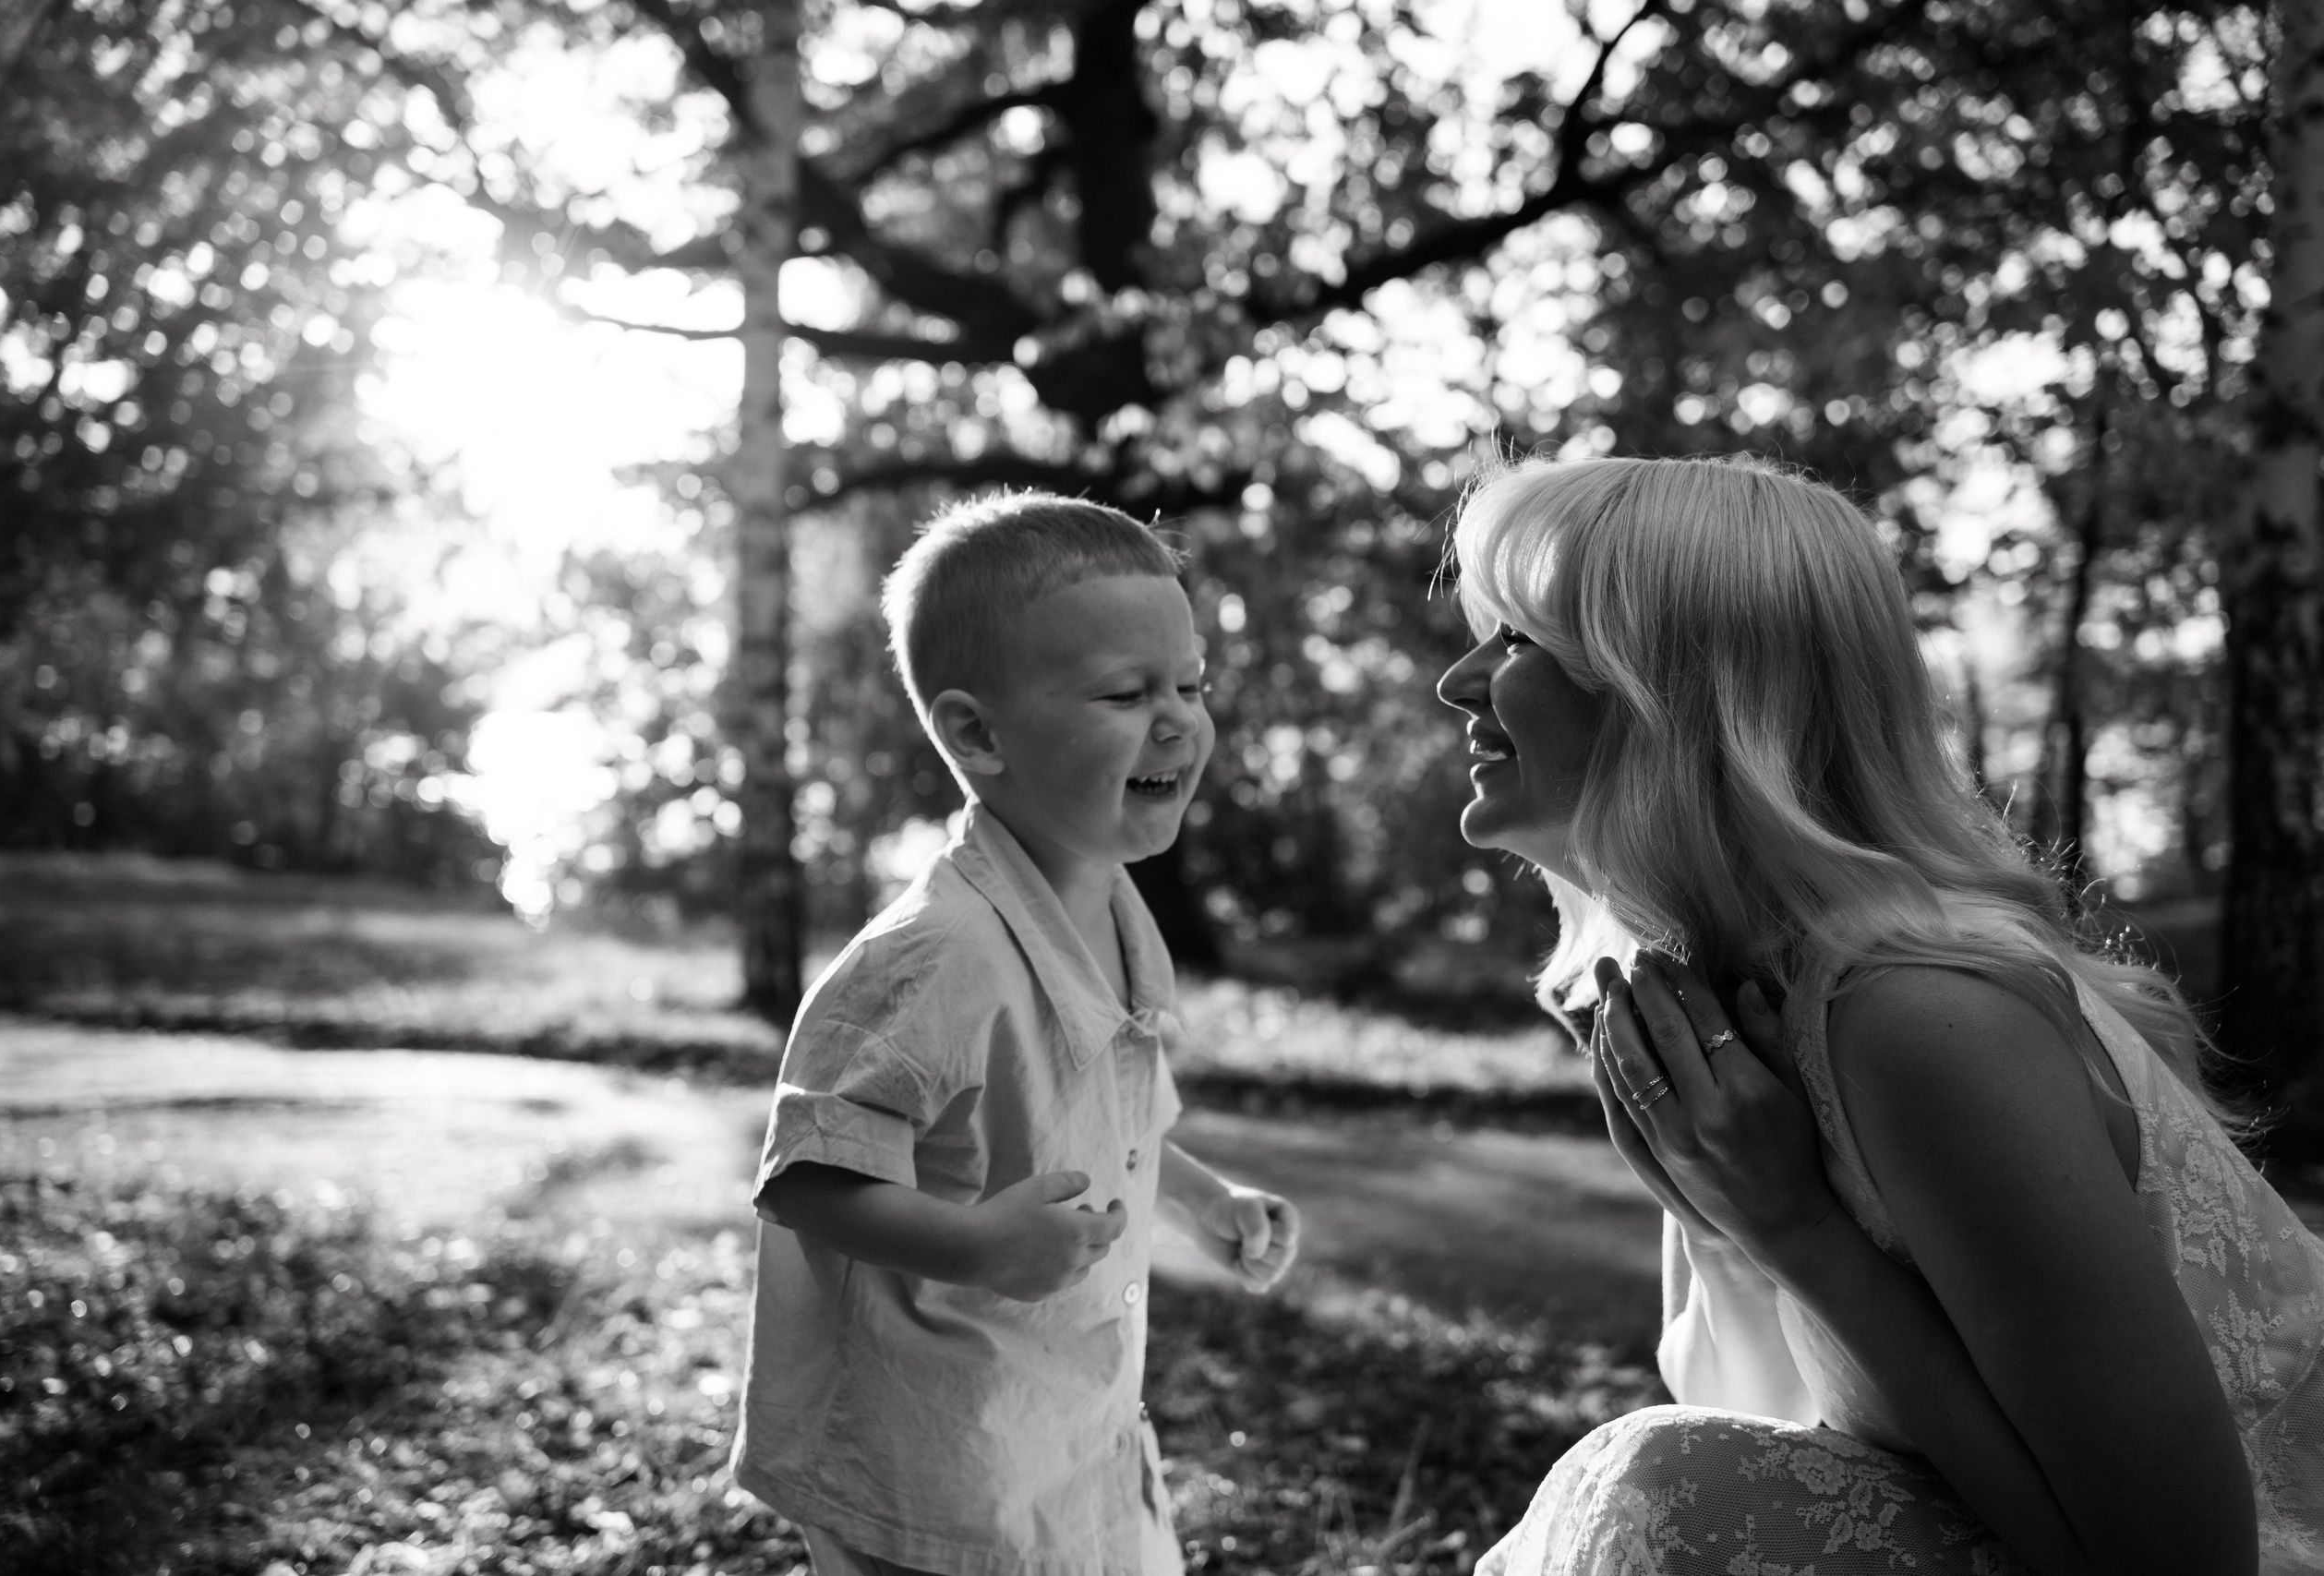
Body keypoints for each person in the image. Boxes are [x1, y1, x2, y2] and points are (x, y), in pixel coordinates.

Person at [1436, 454, 2320, 1574]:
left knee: (1657, 1485)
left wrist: (1793, 1227)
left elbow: (2180, 1562)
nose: (1458, 682)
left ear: (1675, 688)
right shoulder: (1729, 1012)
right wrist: (1729, 1212)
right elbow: (1771, 1421)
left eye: (1516, 640)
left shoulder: (1924, 1024)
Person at [729, 493, 1303, 1576]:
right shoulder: (936, 956)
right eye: (1126, 694)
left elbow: (1105, 1125)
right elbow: (804, 1178)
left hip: (1067, 1435)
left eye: (1189, 685)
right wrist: (978, 1245)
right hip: (940, 1468)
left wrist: (1199, 1200)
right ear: (975, 734)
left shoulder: (1114, 918)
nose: (1178, 719)